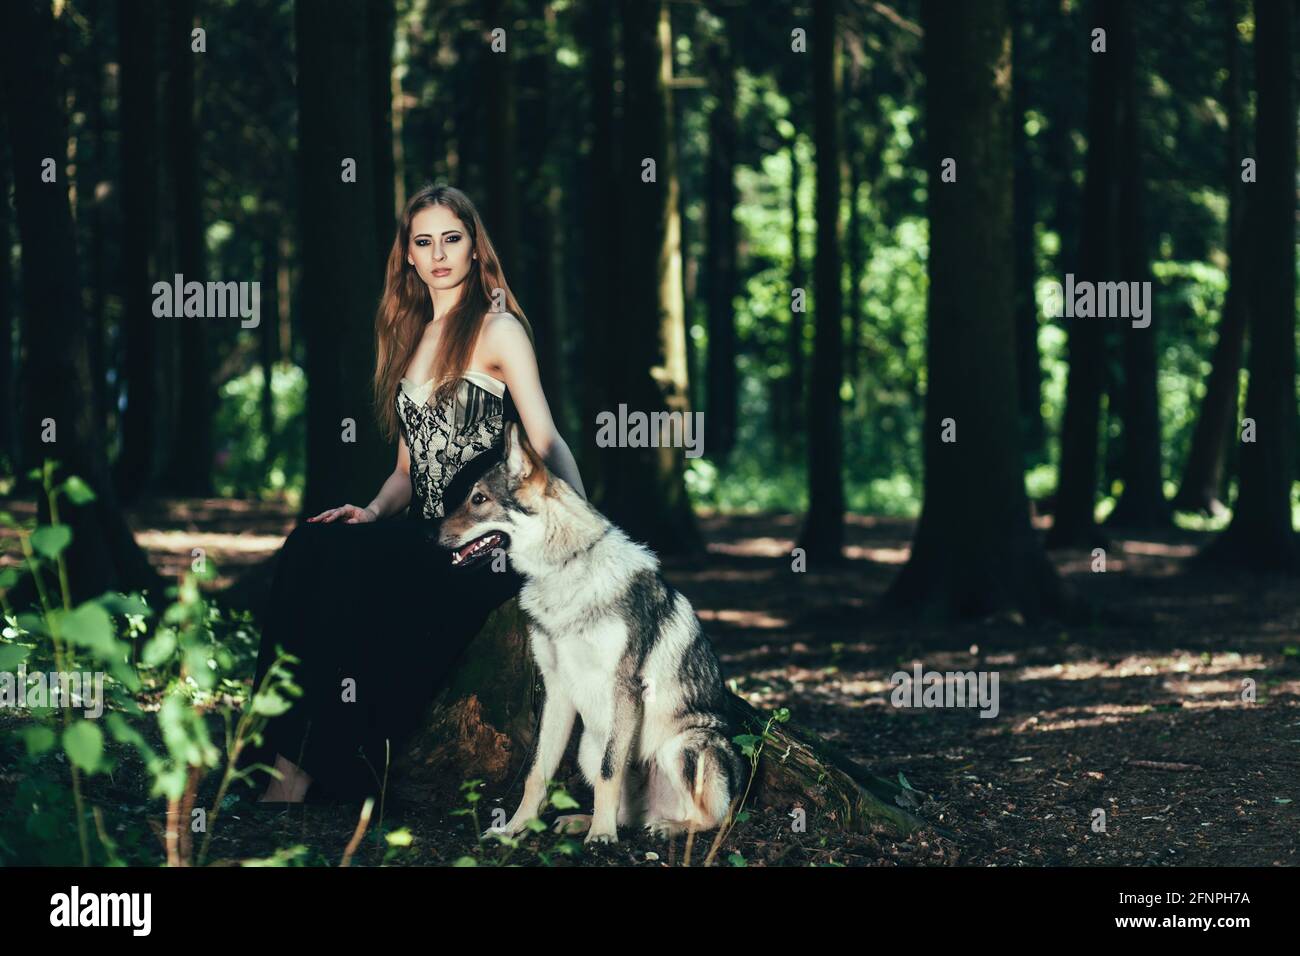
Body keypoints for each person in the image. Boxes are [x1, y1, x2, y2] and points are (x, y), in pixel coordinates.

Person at [236, 183, 586, 804]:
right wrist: (368, 511)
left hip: (486, 539)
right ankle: (274, 759)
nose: (439, 253)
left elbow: (545, 436)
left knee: (359, 573)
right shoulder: (409, 337)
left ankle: (312, 770)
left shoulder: (497, 328)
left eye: (452, 239)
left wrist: (577, 531)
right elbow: (406, 471)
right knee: (312, 546)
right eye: (424, 242)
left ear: (475, 248)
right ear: (409, 257)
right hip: (427, 528)